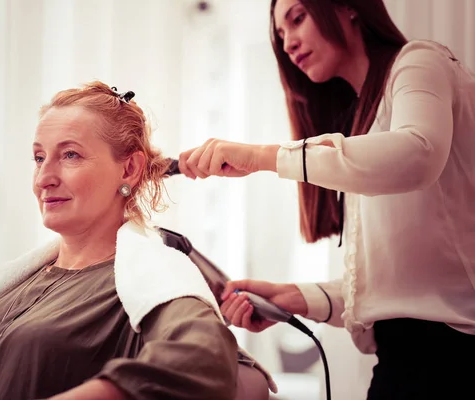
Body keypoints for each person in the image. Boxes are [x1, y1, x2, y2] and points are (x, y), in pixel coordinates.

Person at [0, 81, 273, 400]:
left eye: (70, 156)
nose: (44, 177)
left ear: (130, 168)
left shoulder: (151, 280)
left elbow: (203, 357)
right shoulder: (8, 286)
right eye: (38, 157)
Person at [178, 0, 475, 399]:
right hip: (401, 361)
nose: (288, 44)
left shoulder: (420, 62)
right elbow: (396, 289)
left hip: (456, 358)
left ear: (347, 7)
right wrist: (292, 298)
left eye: (297, 19)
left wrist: (264, 157)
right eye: (280, 35)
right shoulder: (359, 128)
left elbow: (418, 155)